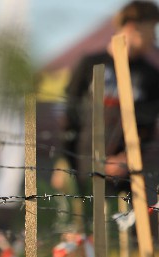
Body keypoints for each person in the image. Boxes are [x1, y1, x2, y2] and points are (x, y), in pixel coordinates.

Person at [53, 0, 159, 198]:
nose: (154, 37)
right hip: (81, 167)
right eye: (151, 29)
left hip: (123, 176)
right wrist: (63, 161)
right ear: (133, 26)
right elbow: (68, 113)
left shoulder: (151, 76)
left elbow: (147, 127)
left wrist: (126, 159)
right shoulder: (89, 64)